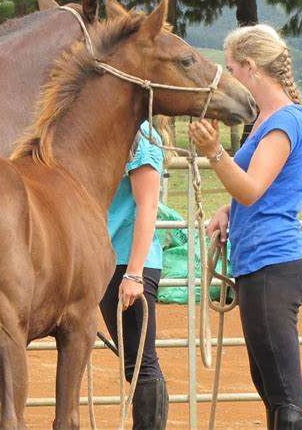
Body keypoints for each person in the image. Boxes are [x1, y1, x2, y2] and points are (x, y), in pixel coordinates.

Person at [189, 24, 302, 430]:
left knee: (285, 399)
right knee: (272, 388)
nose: (229, 79)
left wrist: (214, 152)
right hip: (262, 264)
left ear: (250, 67)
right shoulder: (269, 119)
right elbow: (260, 192)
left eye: (230, 69)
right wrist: (229, 210)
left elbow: (253, 189)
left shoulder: (281, 123)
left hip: (271, 265)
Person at [100, 116, 172, 429]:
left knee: (140, 363)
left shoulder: (141, 135)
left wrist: (134, 273)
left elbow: (148, 206)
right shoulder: (115, 128)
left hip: (127, 261)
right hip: (109, 260)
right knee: (137, 363)